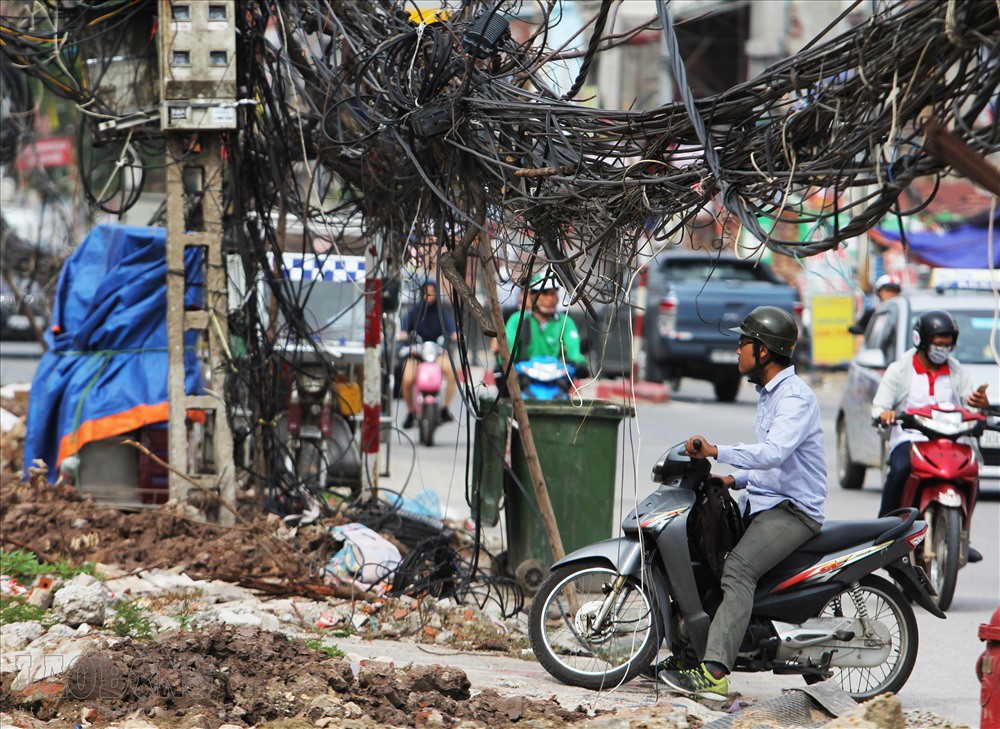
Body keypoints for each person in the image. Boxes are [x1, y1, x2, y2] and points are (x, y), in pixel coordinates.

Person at [656, 305, 827, 700]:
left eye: (743, 343)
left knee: (737, 571)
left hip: (794, 511)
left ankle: (715, 672)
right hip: (766, 501)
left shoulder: (795, 398)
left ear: (763, 351)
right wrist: (732, 479)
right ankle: (686, 657)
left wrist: (718, 451)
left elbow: (775, 453)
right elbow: (773, 466)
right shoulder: (769, 394)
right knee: (706, 562)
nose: (737, 351)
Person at [872, 310, 989, 541]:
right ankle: (883, 531)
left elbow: (971, 406)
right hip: (910, 439)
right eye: (938, 344)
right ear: (921, 341)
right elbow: (879, 406)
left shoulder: (957, 372)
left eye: (947, 345)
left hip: (949, 442)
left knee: (971, 473)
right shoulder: (899, 370)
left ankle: (962, 535)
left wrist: (980, 405)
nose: (943, 349)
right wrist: (885, 413)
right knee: (900, 470)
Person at [496, 268, 589, 378]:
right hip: (525, 381)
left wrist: (580, 363)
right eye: (544, 293)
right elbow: (508, 352)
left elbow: (574, 353)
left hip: (556, 382)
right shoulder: (518, 320)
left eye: (553, 293)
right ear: (532, 296)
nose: (550, 298)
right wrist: (504, 363)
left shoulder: (565, 322)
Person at [399, 279, 458, 428]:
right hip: (417, 353)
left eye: (432, 293)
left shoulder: (441, 311)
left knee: (452, 374)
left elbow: (452, 328)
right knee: (406, 379)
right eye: (427, 292)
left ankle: (444, 408)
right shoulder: (415, 310)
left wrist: (454, 335)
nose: (430, 296)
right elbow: (404, 327)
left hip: (436, 352)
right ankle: (410, 412)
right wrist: (404, 334)